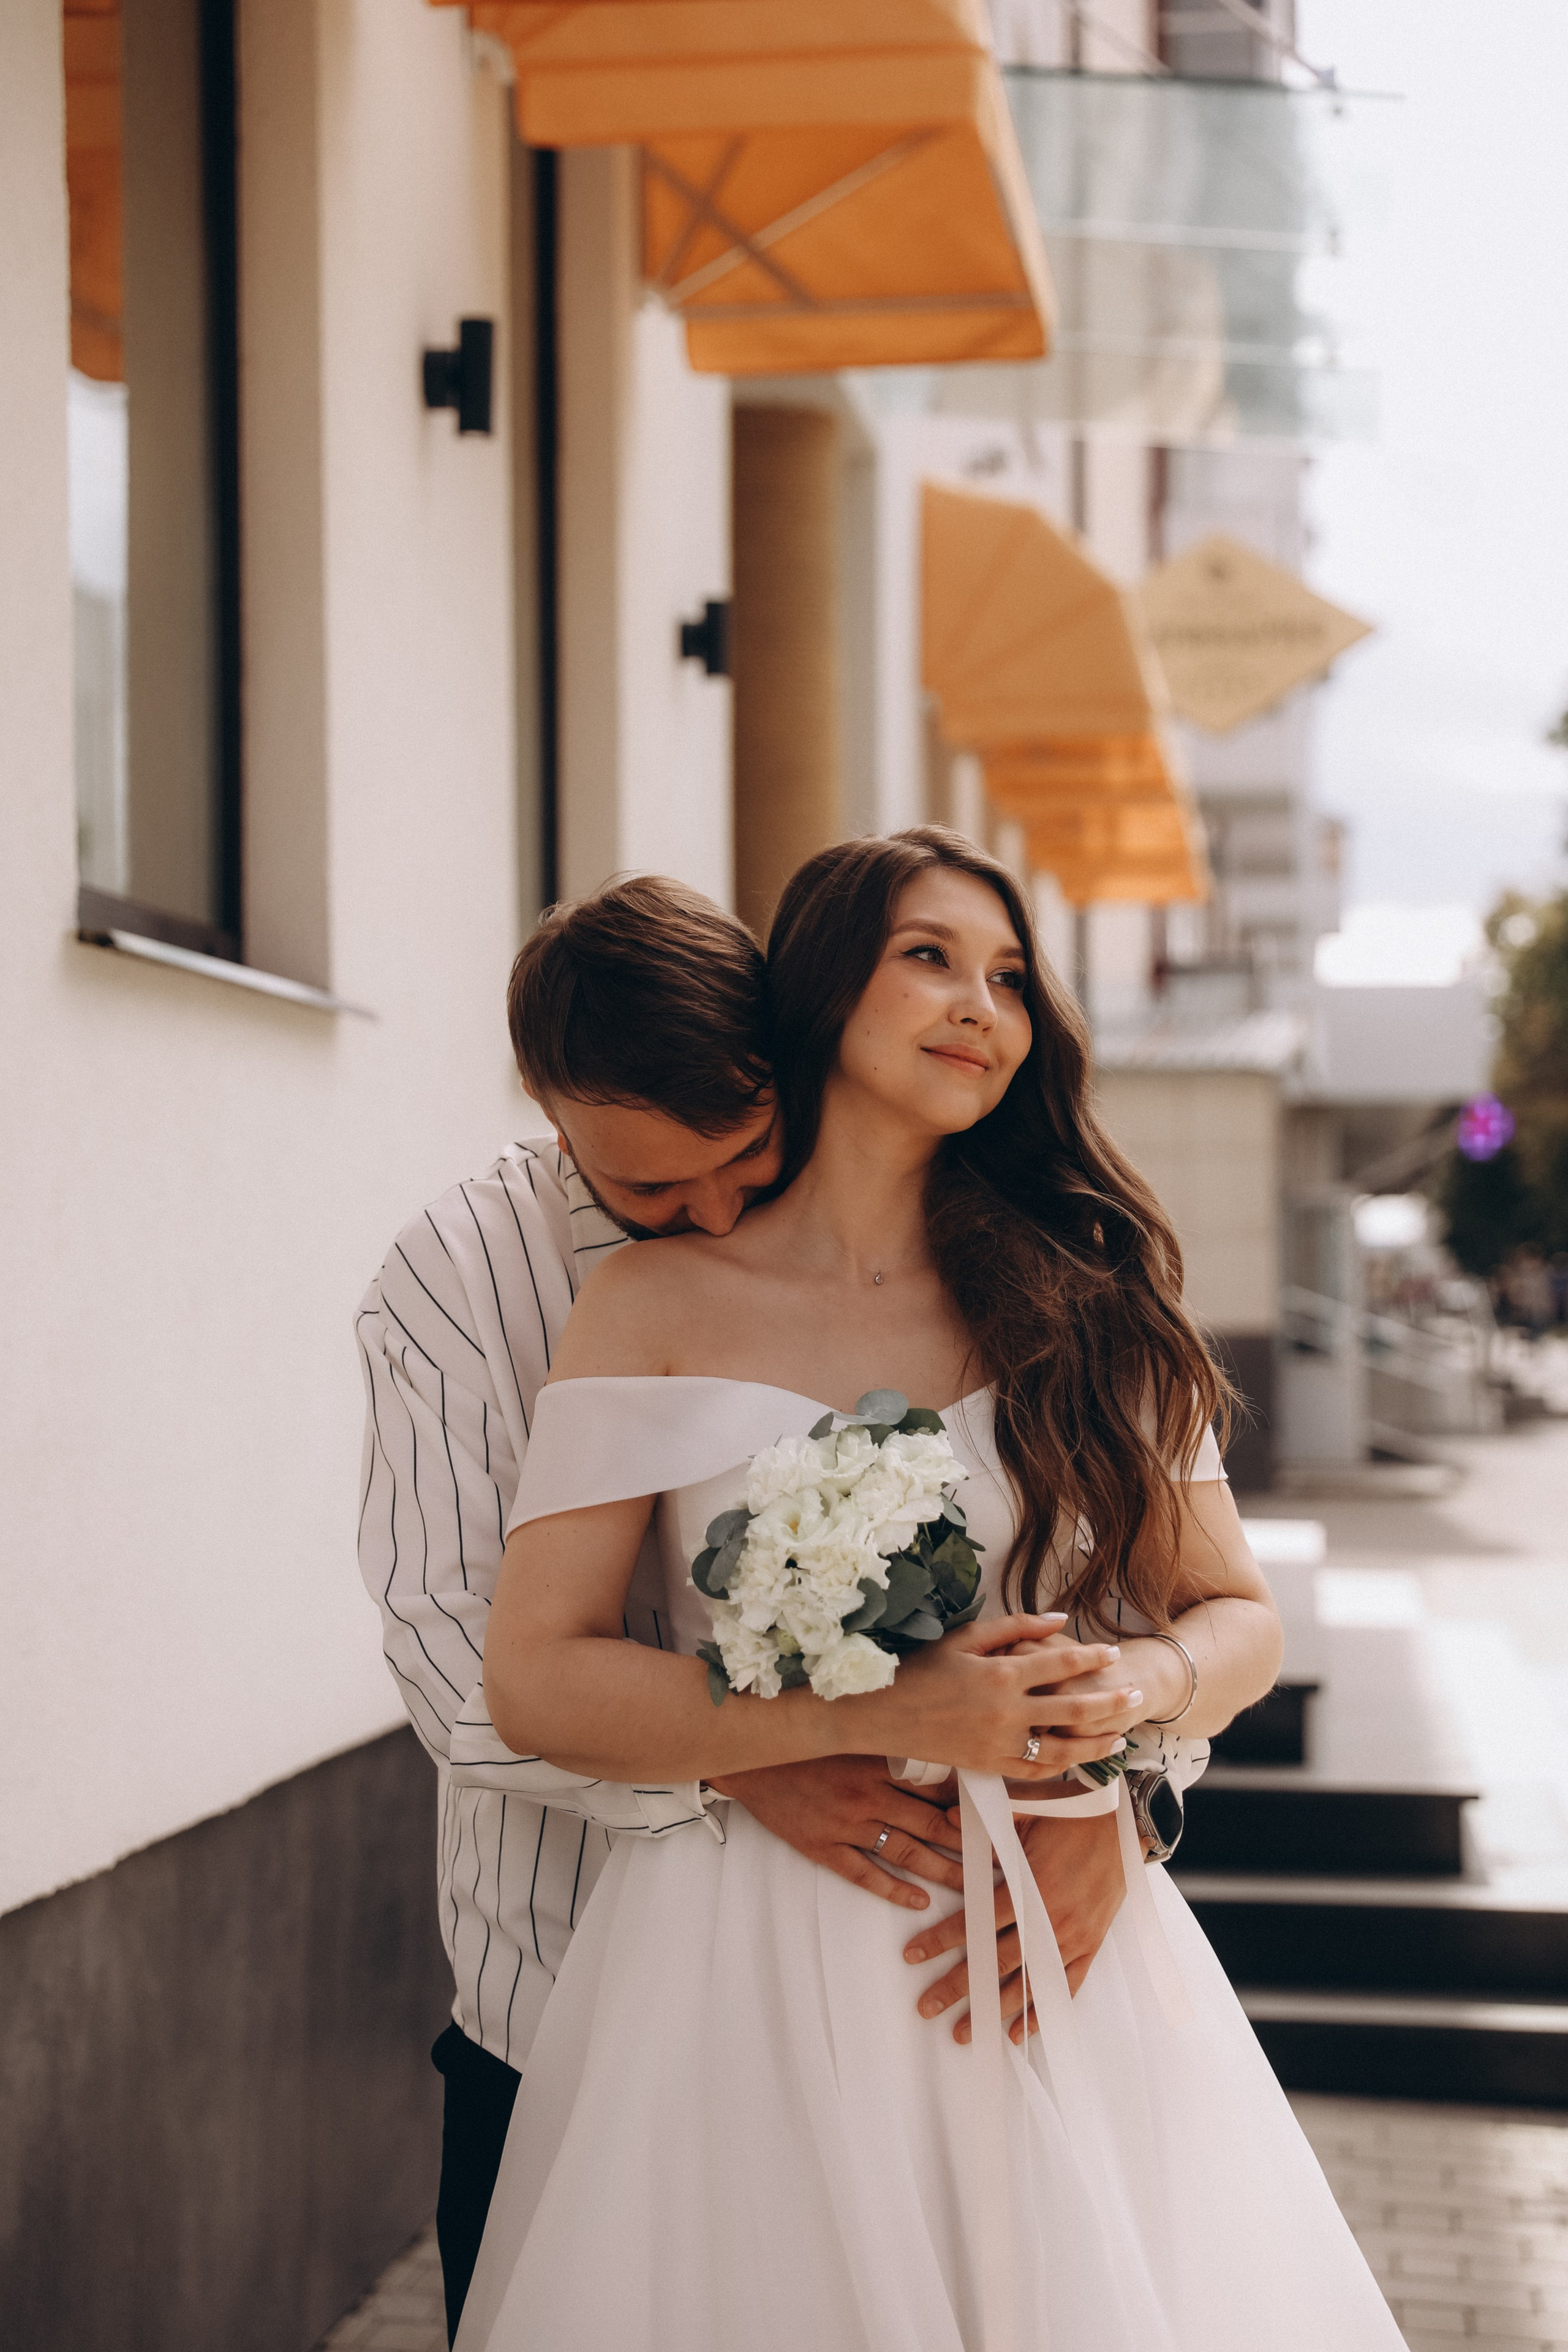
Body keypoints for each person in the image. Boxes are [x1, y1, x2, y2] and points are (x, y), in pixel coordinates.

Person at [462, 828, 1403, 2351]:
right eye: (931, 958)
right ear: (822, 987)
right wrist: (899, 1708)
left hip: (1045, 1944)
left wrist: (1133, 1704)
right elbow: (540, 1678)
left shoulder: (1089, 1295)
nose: (983, 1003)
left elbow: (1236, 1621)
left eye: (1011, 977)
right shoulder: (645, 1302)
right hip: (741, 1968)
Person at [356, 872, 1210, 2345]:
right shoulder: (456, 1279)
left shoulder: (1008, 1273)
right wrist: (759, 1763)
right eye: (648, 1189)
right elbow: (458, 1662)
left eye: (745, 1151)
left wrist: (1120, 1809)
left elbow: (1130, 1600)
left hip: (961, 1987)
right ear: (550, 1111)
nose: (714, 1206)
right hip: (563, 1986)